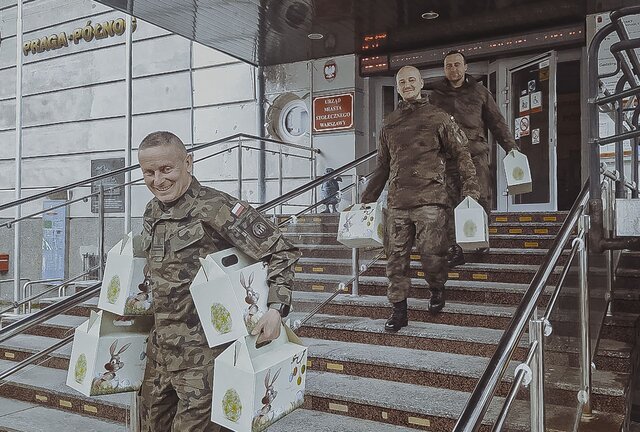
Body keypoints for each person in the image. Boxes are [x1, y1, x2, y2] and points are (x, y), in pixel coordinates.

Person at [136, 131, 301, 432]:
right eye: (149, 172)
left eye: (166, 169)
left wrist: (276, 309)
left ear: (188, 163)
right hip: (160, 358)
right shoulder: (152, 211)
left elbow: (281, 251)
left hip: (206, 360)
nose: (158, 180)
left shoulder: (216, 207)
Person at [361, 66, 479, 331]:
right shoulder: (389, 123)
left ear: (421, 83)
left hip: (431, 202)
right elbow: (382, 166)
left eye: (412, 80)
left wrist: (471, 190)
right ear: (398, 86)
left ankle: (437, 288)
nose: (407, 85)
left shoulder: (439, 117)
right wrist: (367, 198)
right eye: (402, 82)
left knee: (432, 256)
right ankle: (399, 311)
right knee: (395, 260)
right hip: (397, 203)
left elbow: (462, 155)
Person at [429, 50, 519, 267]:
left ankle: (480, 239)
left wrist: (511, 148)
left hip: (475, 154)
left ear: (465, 67)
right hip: (448, 158)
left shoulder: (480, 92)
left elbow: (497, 123)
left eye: (457, 64)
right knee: (449, 203)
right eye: (449, 65)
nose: (453, 69)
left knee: (480, 198)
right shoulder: (435, 96)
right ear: (445, 69)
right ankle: (455, 249)